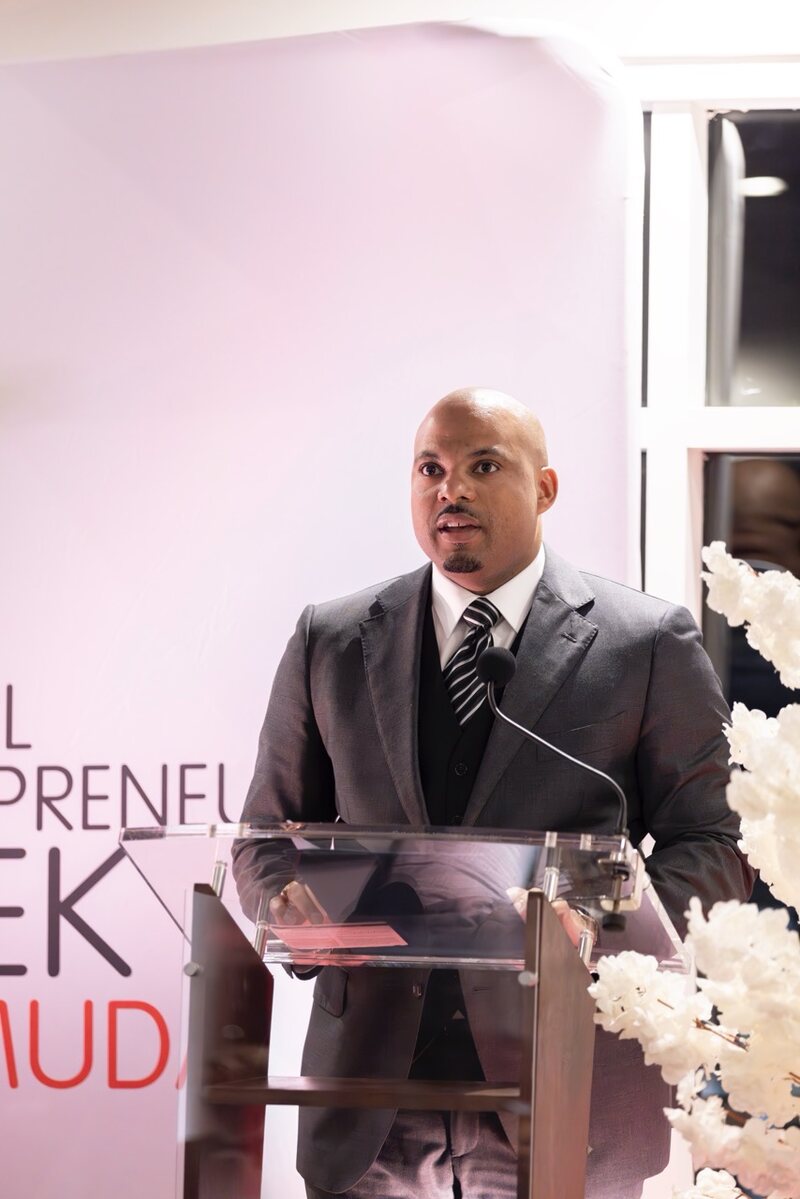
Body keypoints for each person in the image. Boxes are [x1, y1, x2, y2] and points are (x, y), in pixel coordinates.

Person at [234, 387, 753, 1199]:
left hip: (566, 1095)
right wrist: (285, 902)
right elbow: (264, 835)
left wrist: (593, 919)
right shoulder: (329, 639)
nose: (451, 489)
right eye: (430, 470)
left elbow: (715, 845)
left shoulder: (645, 642)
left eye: (483, 466)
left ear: (544, 488)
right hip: (369, 1102)